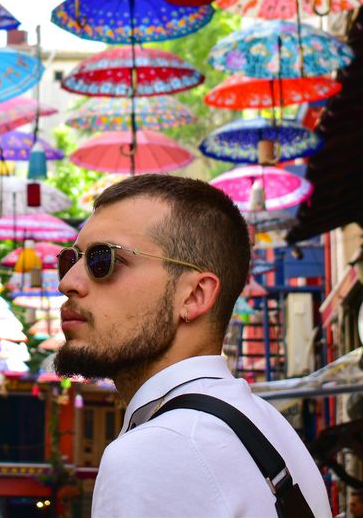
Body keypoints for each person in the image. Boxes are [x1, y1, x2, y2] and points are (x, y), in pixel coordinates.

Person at [55, 174, 331, 518]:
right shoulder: (272, 432)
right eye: (70, 260)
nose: (68, 283)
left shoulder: (159, 449)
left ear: (194, 295)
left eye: (102, 260)